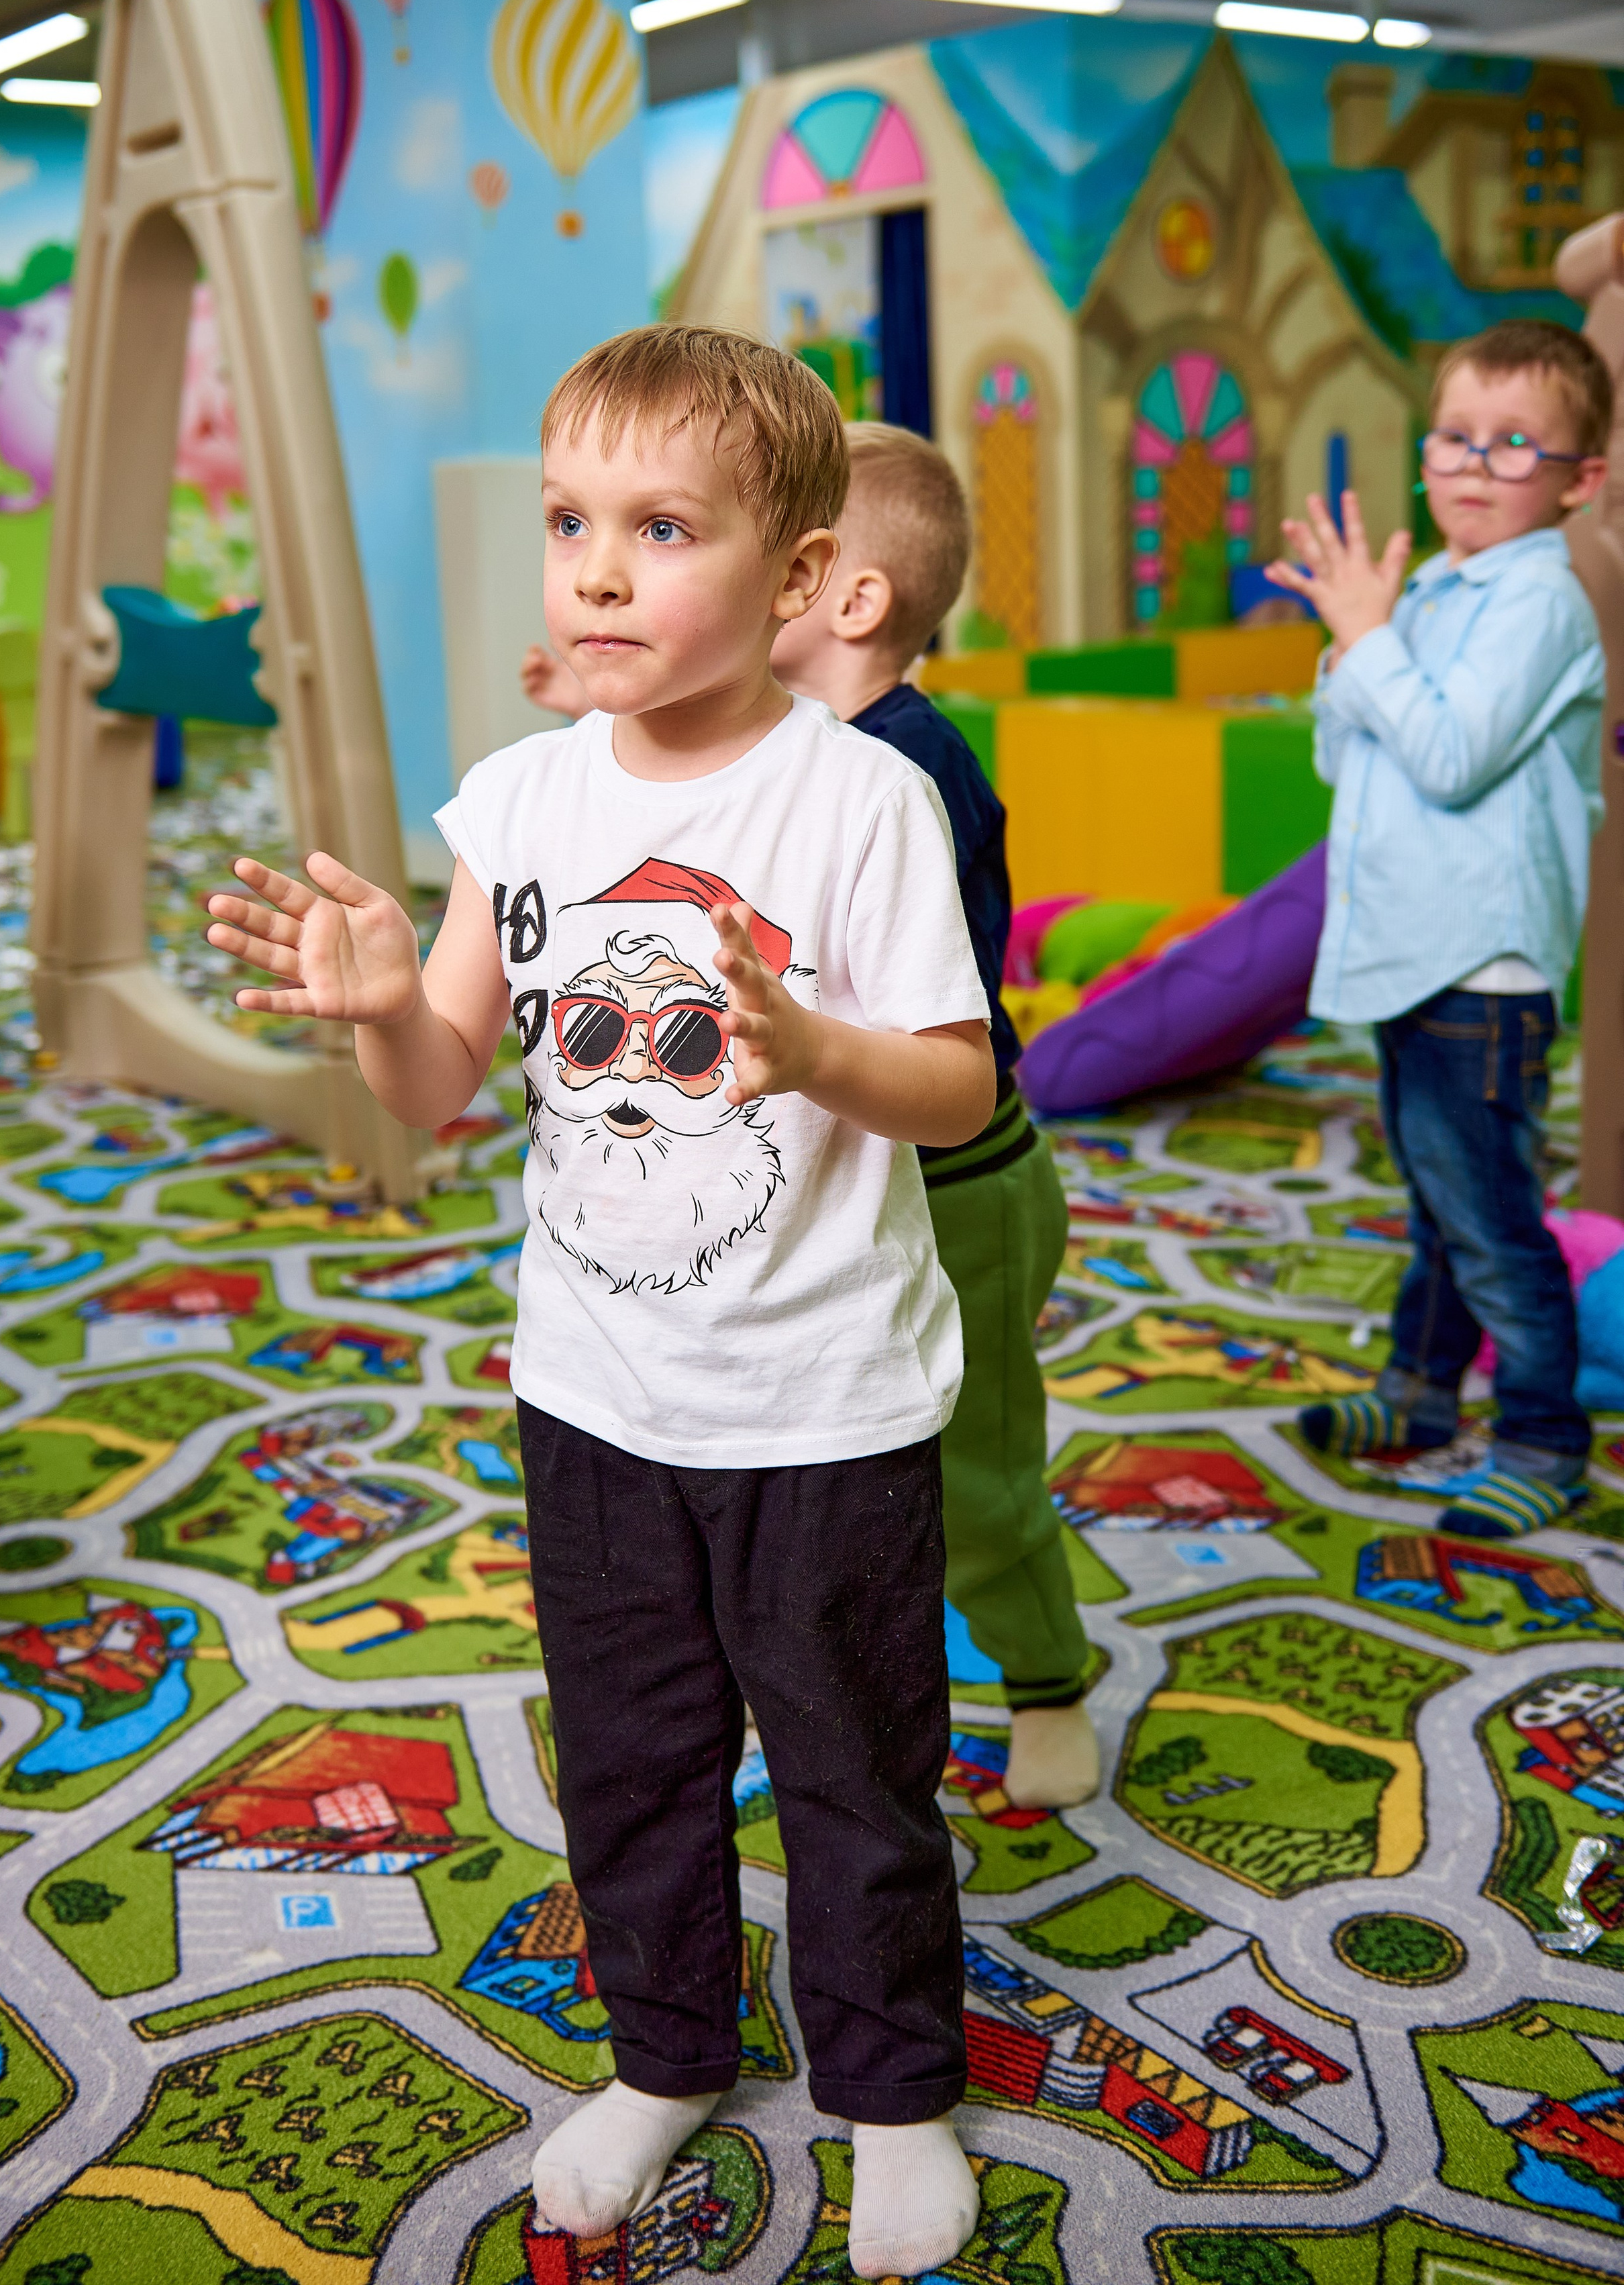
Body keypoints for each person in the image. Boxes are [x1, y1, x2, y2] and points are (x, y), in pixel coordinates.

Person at [207, 326, 997, 2278]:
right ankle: (666, 2052)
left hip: (823, 1403)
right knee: (632, 1755)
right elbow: (438, 1082)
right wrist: (381, 1003)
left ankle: (892, 2085)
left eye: (663, 528)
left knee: (852, 1766)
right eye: (573, 523)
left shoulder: (860, 803)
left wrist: (812, 1047)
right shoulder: (521, 798)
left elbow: (958, 1087)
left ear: (798, 575)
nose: (599, 573)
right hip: (593, 1393)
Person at [527, 421, 1098, 1810]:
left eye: (692, 536)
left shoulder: (898, 773)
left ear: (834, 593)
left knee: (972, 1470)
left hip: (956, 1182)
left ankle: (1047, 1680)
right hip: (815, 1178)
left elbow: (923, 1034)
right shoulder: (768, 751)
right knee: (820, 1493)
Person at [1267, 320, 1609, 1539]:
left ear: (1581, 479)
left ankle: (1544, 1437)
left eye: (1514, 443)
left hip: (1484, 964)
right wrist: (1353, 642)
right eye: (1456, 436)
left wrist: (1368, 638)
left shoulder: (1542, 603)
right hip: (1412, 950)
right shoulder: (1426, 590)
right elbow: (1347, 756)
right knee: (1436, 1197)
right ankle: (1419, 1392)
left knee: (1491, 1215)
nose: (1474, 463)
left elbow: (1451, 755)